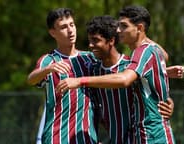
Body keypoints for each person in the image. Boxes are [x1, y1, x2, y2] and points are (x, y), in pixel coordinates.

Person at [56, 5, 176, 144]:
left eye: (124, 26)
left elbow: (125, 79)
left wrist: (79, 81)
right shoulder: (96, 70)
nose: (119, 30)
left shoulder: (135, 59)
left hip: (152, 135)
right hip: (135, 136)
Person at [27, 8, 98, 144]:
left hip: (87, 137)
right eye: (64, 27)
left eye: (72, 25)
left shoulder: (90, 58)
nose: (70, 30)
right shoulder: (48, 60)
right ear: (53, 33)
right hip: (57, 137)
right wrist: (47, 69)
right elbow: (31, 80)